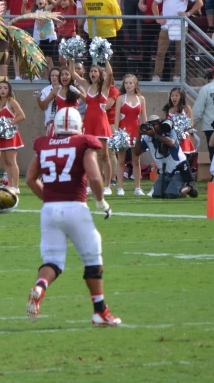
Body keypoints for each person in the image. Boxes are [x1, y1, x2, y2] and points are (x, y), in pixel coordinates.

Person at [24, 106, 119, 326]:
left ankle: (40, 286)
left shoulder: (44, 144)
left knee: (53, 261)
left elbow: (30, 179)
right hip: (75, 207)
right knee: (93, 256)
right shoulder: (83, 143)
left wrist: (48, 198)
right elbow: (95, 178)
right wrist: (100, 202)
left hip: (49, 211)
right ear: (79, 126)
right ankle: (100, 312)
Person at [151, 0, 203, 82]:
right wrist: (157, 18)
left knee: (179, 52)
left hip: (180, 25)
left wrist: (188, 13)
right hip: (166, 25)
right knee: (160, 52)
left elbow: (199, 2)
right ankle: (157, 76)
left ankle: (178, 75)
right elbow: (154, 4)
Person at [71, 61, 115, 195]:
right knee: (90, 156)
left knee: (104, 156)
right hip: (89, 123)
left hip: (101, 123)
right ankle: (90, 185)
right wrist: (71, 57)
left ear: (100, 74)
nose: (93, 74)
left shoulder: (105, 87)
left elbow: (110, 73)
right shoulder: (87, 85)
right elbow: (73, 73)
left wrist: (106, 58)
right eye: (91, 71)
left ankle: (107, 185)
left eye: (95, 71)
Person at [132, 115, 198, 198]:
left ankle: (189, 188)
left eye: (154, 125)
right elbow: (137, 152)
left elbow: (171, 143)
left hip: (179, 169)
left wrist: (155, 135)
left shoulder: (168, 131)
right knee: (157, 195)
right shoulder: (147, 138)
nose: (152, 127)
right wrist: (139, 135)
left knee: (171, 195)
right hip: (165, 172)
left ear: (160, 124)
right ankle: (176, 187)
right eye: (150, 125)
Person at [114, 74, 147, 196]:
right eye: (126, 83)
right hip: (123, 132)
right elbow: (117, 116)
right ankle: (120, 188)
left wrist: (146, 132)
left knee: (136, 160)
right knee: (121, 159)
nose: (128, 85)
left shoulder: (141, 99)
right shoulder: (120, 98)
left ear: (135, 84)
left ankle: (138, 188)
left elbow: (144, 117)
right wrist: (116, 133)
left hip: (136, 132)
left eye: (130, 83)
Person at [0, 80, 25, 189]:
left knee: (12, 161)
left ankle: (15, 186)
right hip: (1, 135)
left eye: (5, 88)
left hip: (10, 134)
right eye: (0, 88)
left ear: (9, 90)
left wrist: (9, 124)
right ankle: (10, 185)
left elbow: (22, 116)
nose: (2, 90)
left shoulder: (11, 102)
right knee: (5, 161)